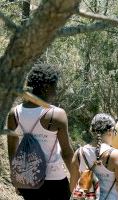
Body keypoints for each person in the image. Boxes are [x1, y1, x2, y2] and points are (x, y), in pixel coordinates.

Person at [7, 64, 74, 200]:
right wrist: (76, 178)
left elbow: (12, 151)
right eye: (55, 87)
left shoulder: (14, 113)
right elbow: (67, 153)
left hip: (28, 178)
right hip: (55, 180)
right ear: (46, 88)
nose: (56, 91)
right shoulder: (56, 114)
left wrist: (16, 177)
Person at [70, 113, 118, 200]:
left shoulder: (79, 153)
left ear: (91, 130)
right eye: (115, 131)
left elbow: (73, 187)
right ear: (110, 131)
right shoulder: (115, 155)